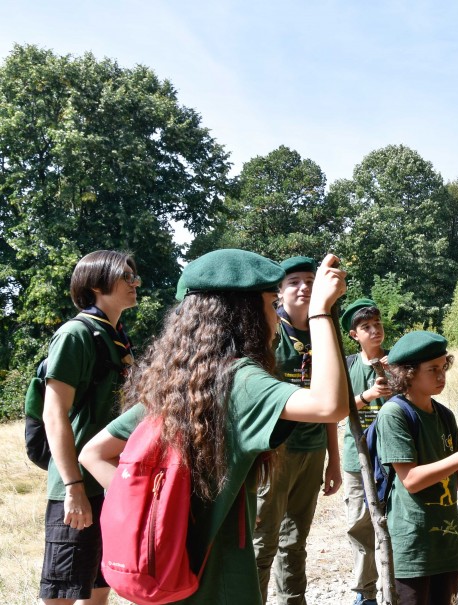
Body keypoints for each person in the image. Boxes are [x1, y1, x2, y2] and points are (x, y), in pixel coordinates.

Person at [79, 249, 350, 605]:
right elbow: (330, 405)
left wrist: (151, 514)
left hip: (173, 582)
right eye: (271, 304)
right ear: (246, 313)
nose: (276, 315)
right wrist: (320, 311)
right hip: (223, 587)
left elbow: (93, 453)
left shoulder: (176, 384)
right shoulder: (240, 382)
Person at [375, 330, 458, 604]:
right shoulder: (394, 414)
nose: (441, 375)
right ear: (408, 373)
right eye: (432, 369)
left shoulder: (444, 415)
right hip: (414, 545)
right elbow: (411, 480)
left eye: (444, 367)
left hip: (448, 543)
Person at [40, 250, 138, 605]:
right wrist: (73, 487)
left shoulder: (116, 336)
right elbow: (54, 414)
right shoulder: (75, 334)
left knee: (98, 588)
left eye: (134, 276)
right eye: (126, 276)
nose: (135, 282)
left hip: (108, 478)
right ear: (97, 284)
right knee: (62, 594)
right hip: (78, 484)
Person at [253, 255, 344, 605]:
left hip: (312, 449)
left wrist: (334, 459)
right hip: (274, 451)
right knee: (263, 542)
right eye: (294, 282)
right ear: (280, 291)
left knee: (295, 541)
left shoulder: (324, 330)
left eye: (310, 280)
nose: (304, 287)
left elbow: (330, 402)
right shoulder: (269, 331)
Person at [337, 299, 394, 605]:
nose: (375, 331)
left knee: (395, 521)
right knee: (360, 525)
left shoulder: (396, 360)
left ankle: (396, 586)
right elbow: (337, 407)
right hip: (356, 457)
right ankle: (365, 592)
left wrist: (394, 378)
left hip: (393, 455)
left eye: (378, 324)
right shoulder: (347, 365)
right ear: (354, 334)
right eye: (366, 327)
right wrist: (367, 395)